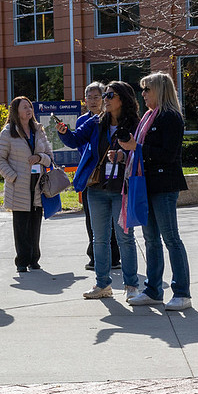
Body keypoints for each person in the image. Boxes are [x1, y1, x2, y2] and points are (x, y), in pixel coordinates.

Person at [56, 81, 141, 301]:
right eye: (105, 95)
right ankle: (102, 285)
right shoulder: (96, 122)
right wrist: (64, 132)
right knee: (99, 239)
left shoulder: (134, 124)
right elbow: (75, 140)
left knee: (125, 238)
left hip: (122, 187)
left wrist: (123, 156)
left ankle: (131, 286)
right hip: (97, 188)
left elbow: (141, 152)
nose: (105, 99)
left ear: (122, 98)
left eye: (110, 95)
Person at [120, 72, 193, 311]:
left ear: (160, 90)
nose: (143, 94)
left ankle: (182, 292)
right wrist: (126, 152)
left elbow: (168, 154)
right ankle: (153, 290)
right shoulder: (149, 117)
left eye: (147, 89)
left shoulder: (170, 117)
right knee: (150, 239)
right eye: (142, 89)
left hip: (164, 186)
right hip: (146, 184)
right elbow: (141, 151)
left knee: (171, 238)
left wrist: (137, 147)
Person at [0, 97, 53, 272]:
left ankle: (34, 259)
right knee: (21, 226)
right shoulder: (8, 132)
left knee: (35, 224)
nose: (29, 109)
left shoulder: (38, 130)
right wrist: (13, 177)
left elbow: (49, 156)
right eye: (25, 107)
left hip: (38, 184)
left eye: (30, 107)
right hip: (19, 186)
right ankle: (22, 261)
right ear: (16, 111)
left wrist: (40, 158)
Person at [77, 83, 120, 271]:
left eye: (97, 97)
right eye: (90, 97)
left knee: (112, 218)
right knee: (92, 218)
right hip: (90, 175)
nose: (93, 101)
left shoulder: (110, 120)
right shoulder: (83, 121)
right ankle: (94, 256)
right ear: (85, 100)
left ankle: (114, 256)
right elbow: (80, 145)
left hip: (111, 173)